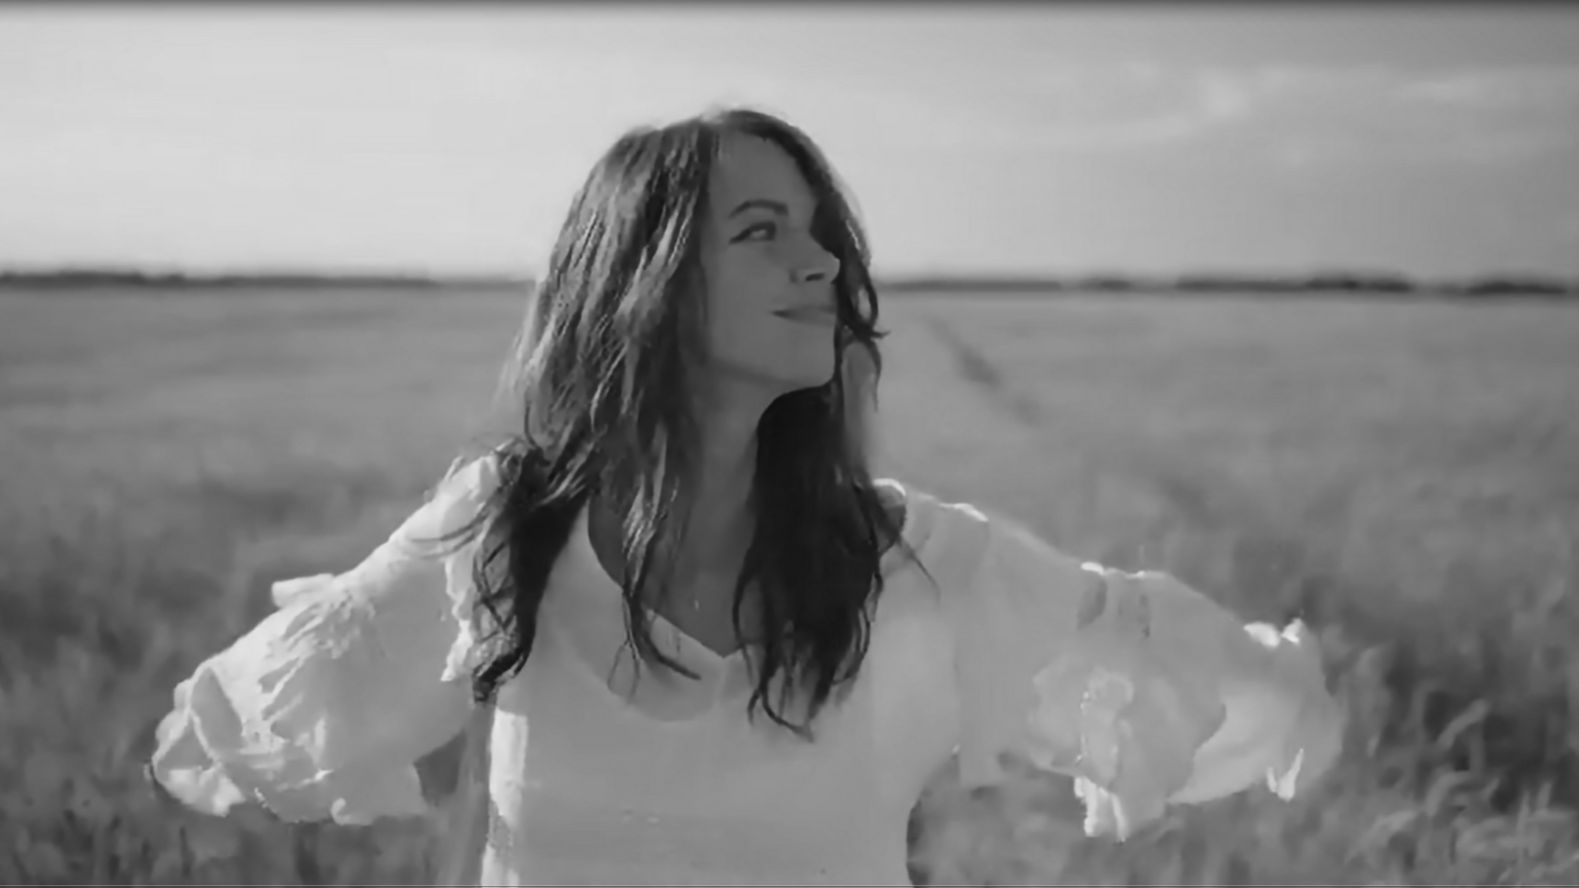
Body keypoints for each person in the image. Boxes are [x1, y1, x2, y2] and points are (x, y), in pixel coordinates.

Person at [146, 106, 1345, 886]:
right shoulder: (503, 531)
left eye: (819, 237)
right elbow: (257, 722)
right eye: (761, 231)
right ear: (642, 277)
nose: (819, 263)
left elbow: (1191, 679)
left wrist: (1281, 683)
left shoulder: (913, 565)